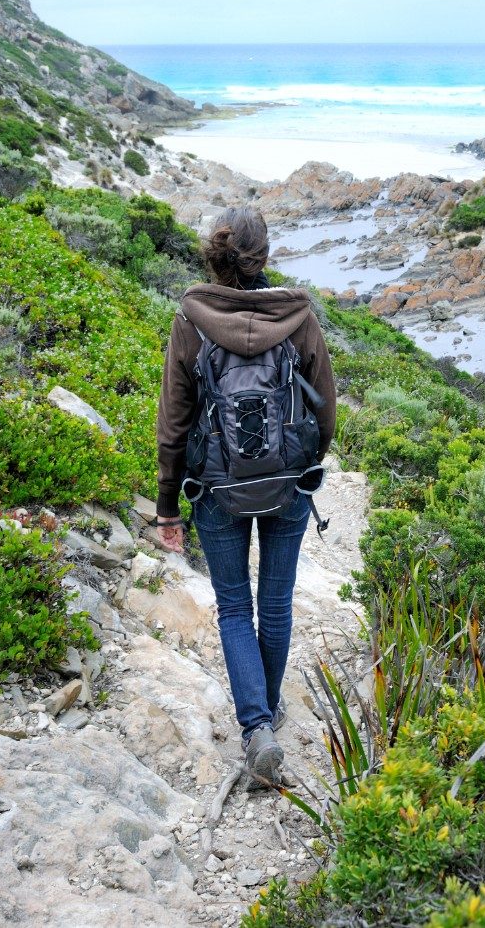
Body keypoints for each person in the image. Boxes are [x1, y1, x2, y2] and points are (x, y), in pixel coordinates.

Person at [154, 206, 336, 783]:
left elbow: (173, 421)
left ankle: (255, 725)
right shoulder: (298, 314)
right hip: (288, 481)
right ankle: (269, 709)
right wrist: (309, 459)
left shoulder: (192, 318)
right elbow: (325, 409)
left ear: (214, 252)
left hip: (215, 486)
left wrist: (167, 506)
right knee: (276, 603)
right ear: (264, 254)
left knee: (235, 606)